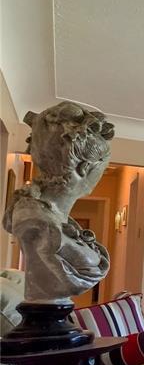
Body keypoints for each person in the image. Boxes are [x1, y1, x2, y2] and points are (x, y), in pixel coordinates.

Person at [2, 102, 115, 302]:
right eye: (103, 169)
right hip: (44, 322)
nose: (101, 176)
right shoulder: (39, 222)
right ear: (84, 167)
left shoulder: (52, 216)